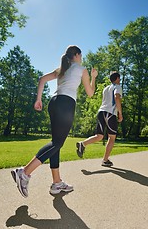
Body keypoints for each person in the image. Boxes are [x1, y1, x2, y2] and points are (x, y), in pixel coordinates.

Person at [11, 45, 98, 197]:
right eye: (81, 55)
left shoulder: (62, 69)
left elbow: (42, 79)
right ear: (77, 55)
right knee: (57, 143)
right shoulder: (81, 69)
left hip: (54, 102)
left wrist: (38, 99)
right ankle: (24, 173)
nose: (81, 58)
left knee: (55, 143)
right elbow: (90, 93)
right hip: (66, 104)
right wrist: (94, 77)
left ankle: (57, 183)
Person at [76, 71, 123, 167]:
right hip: (110, 114)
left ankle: (83, 144)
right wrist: (120, 113)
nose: (120, 80)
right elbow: (117, 97)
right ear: (117, 79)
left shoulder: (106, 89)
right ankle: (105, 160)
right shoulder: (117, 87)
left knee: (99, 136)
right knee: (112, 137)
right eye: (119, 78)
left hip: (101, 112)